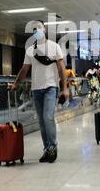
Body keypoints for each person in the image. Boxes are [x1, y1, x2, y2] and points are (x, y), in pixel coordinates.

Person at [11, 20, 68, 163]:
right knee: (42, 121)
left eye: (39, 28)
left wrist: (65, 89)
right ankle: (47, 148)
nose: (37, 30)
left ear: (45, 29)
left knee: (48, 117)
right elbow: (24, 69)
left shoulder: (54, 47)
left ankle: (53, 147)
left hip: (50, 87)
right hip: (36, 89)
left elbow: (62, 69)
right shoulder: (30, 50)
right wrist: (15, 84)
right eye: (34, 29)